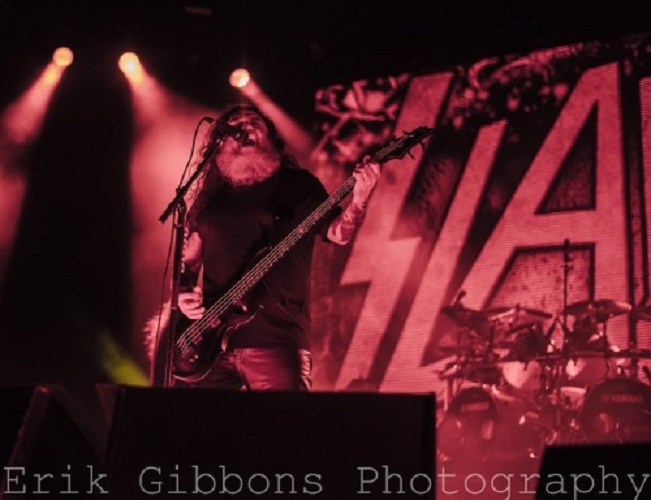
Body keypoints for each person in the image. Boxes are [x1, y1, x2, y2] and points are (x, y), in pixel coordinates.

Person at [174, 104, 380, 391]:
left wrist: (359, 200)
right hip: (209, 345)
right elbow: (188, 264)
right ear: (221, 143)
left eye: (253, 121)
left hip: (277, 340)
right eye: (235, 123)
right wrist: (183, 294)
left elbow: (337, 233)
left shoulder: (297, 186)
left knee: (285, 419)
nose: (244, 126)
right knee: (198, 421)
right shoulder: (211, 198)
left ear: (271, 137)